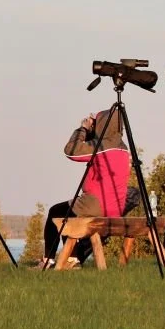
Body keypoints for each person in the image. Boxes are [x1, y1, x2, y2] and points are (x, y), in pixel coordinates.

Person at [40, 108, 138, 269]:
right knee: (70, 212)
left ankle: (48, 260)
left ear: (102, 124)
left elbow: (71, 151)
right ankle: (72, 260)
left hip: (96, 203)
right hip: (116, 207)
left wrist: (83, 129)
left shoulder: (101, 146)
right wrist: (94, 131)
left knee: (55, 211)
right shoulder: (123, 148)